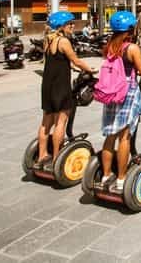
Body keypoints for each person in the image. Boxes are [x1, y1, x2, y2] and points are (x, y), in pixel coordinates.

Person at [100, 11, 141, 192]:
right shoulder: (132, 48)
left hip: (111, 92)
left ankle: (105, 175)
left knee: (109, 136)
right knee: (124, 136)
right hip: (127, 92)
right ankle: (121, 178)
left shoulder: (109, 46)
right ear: (130, 29)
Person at [36, 11, 95, 170]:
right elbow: (76, 60)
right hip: (60, 86)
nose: (72, 26)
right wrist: (90, 70)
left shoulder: (47, 40)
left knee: (45, 122)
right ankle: (56, 157)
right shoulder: (63, 41)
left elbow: (58, 61)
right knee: (60, 122)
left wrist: (72, 66)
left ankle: (42, 155)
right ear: (61, 26)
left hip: (47, 85)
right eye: (70, 24)